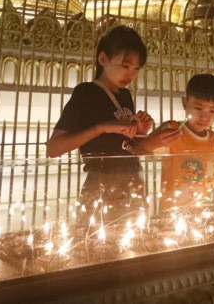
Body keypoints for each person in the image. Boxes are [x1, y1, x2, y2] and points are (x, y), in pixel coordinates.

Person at [46, 26, 180, 216]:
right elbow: (54, 148)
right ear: (103, 59)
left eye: (136, 68)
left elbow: (128, 148)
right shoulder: (87, 92)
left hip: (132, 181)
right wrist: (101, 128)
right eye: (125, 66)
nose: (131, 75)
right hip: (101, 184)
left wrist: (142, 133)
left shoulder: (125, 95)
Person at [159, 74, 214, 208]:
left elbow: (213, 179)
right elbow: (143, 150)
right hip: (175, 213)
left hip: (208, 212)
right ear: (185, 103)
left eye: (213, 111)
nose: (205, 117)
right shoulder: (173, 131)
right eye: (198, 108)